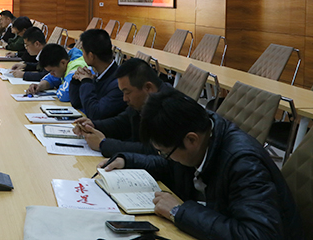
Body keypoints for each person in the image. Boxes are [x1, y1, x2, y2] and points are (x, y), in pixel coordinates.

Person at [101, 88, 304, 240]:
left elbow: (258, 235)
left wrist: (179, 212)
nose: (165, 157)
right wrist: (128, 160)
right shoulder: (199, 131)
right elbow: (170, 166)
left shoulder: (243, 164)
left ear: (191, 140)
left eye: (166, 152)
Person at [73, 58, 162, 156]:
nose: (124, 99)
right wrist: (93, 125)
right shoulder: (143, 102)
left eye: (127, 93)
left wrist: (104, 144)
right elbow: (122, 123)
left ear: (148, 88)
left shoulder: (168, 108)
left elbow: (155, 151)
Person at [67, 29, 125, 120]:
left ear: (91, 56)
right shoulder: (98, 74)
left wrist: (86, 82)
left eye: (83, 52)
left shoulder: (118, 83)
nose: (82, 55)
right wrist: (76, 80)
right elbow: (76, 103)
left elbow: (94, 114)